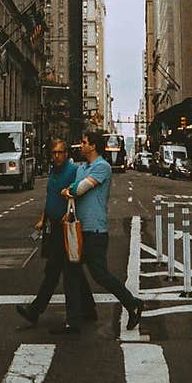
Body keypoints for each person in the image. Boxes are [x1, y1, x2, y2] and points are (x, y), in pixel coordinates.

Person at [58, 128, 143, 337]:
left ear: (93, 145)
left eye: (85, 142)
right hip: (78, 228)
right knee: (71, 272)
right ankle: (74, 320)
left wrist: (70, 190)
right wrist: (70, 189)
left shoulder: (102, 167)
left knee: (100, 274)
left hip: (95, 229)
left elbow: (78, 190)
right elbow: (73, 187)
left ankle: (132, 303)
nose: (82, 145)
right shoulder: (82, 168)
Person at [16, 140, 97, 330]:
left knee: (57, 271)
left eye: (60, 153)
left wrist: (69, 214)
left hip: (66, 227)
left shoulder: (73, 171)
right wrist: (42, 219)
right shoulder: (53, 172)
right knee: (69, 269)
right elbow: (50, 198)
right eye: (53, 153)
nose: (56, 156)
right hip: (52, 228)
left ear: (66, 153)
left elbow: (79, 194)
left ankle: (39, 312)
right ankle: (89, 309)